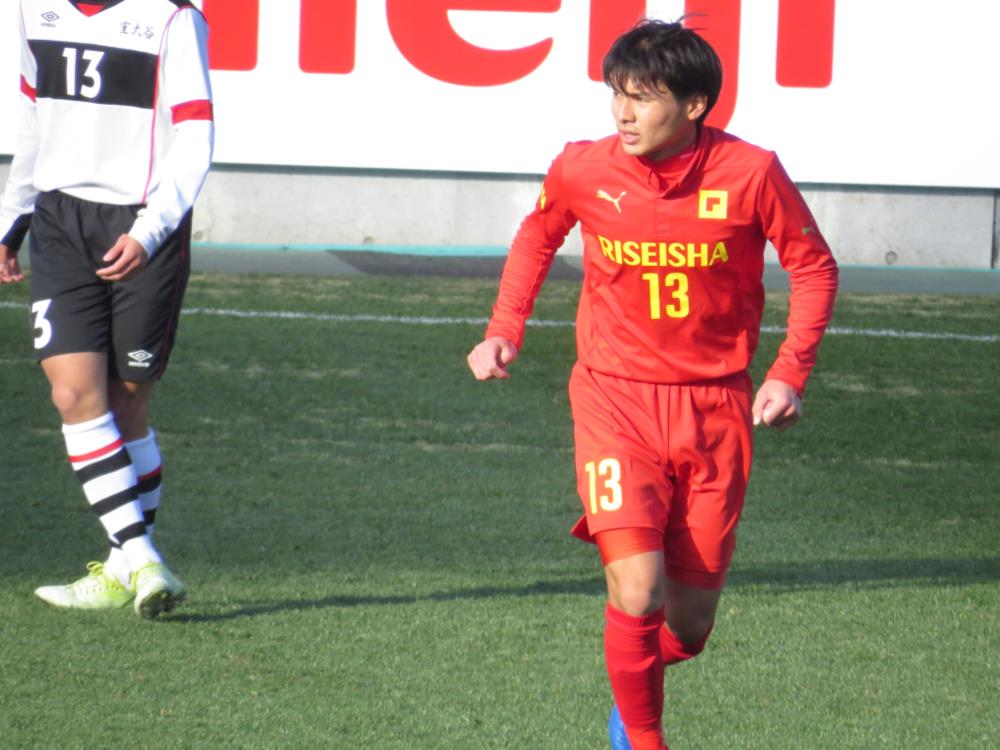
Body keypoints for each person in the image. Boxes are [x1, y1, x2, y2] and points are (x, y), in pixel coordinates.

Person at [467, 18, 838, 750]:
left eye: (643, 97)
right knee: (637, 590)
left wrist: (790, 372)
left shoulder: (752, 173)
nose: (623, 113)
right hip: (614, 401)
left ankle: (634, 681)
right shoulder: (582, 168)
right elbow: (538, 235)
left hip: (716, 408)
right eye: (617, 94)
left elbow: (814, 266)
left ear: (694, 105)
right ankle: (643, 737)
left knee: (689, 628)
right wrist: (504, 326)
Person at [0, 0, 214, 619]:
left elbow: (196, 135)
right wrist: (12, 218)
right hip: (59, 220)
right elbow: (33, 117)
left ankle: (123, 568)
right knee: (72, 393)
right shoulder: (32, 9)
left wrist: (149, 231)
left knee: (126, 404)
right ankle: (143, 558)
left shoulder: (173, 18)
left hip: (144, 226)